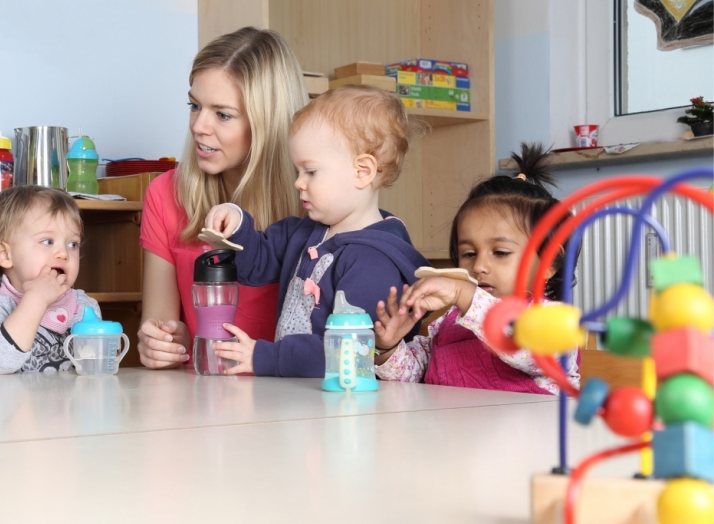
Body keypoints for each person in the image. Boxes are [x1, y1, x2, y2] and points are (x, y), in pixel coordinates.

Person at [204, 84, 429, 377]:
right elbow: (255, 265)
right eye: (298, 171)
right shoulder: (303, 232)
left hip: (348, 407)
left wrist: (267, 357)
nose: (299, 182)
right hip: (301, 396)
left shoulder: (374, 262)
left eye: (310, 171)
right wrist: (236, 224)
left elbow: (348, 351)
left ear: (362, 171)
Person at [137, 27, 308, 369]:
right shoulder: (165, 195)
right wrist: (162, 344)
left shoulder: (314, 202)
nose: (199, 126)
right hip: (203, 401)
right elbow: (161, 328)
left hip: (293, 405)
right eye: (194, 105)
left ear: (267, 123)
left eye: (222, 114)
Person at [373, 143, 581, 394]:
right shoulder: (449, 322)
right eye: (468, 254)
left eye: (500, 253)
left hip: (528, 433)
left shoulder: (556, 321)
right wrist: (389, 347)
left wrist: (466, 296)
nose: (479, 266)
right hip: (449, 430)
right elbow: (414, 377)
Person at [0, 186, 101, 374]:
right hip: (8, 403)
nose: (63, 253)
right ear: (5, 254)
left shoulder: (84, 306)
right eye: (47, 241)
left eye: (73, 244)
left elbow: (95, 371)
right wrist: (36, 299)